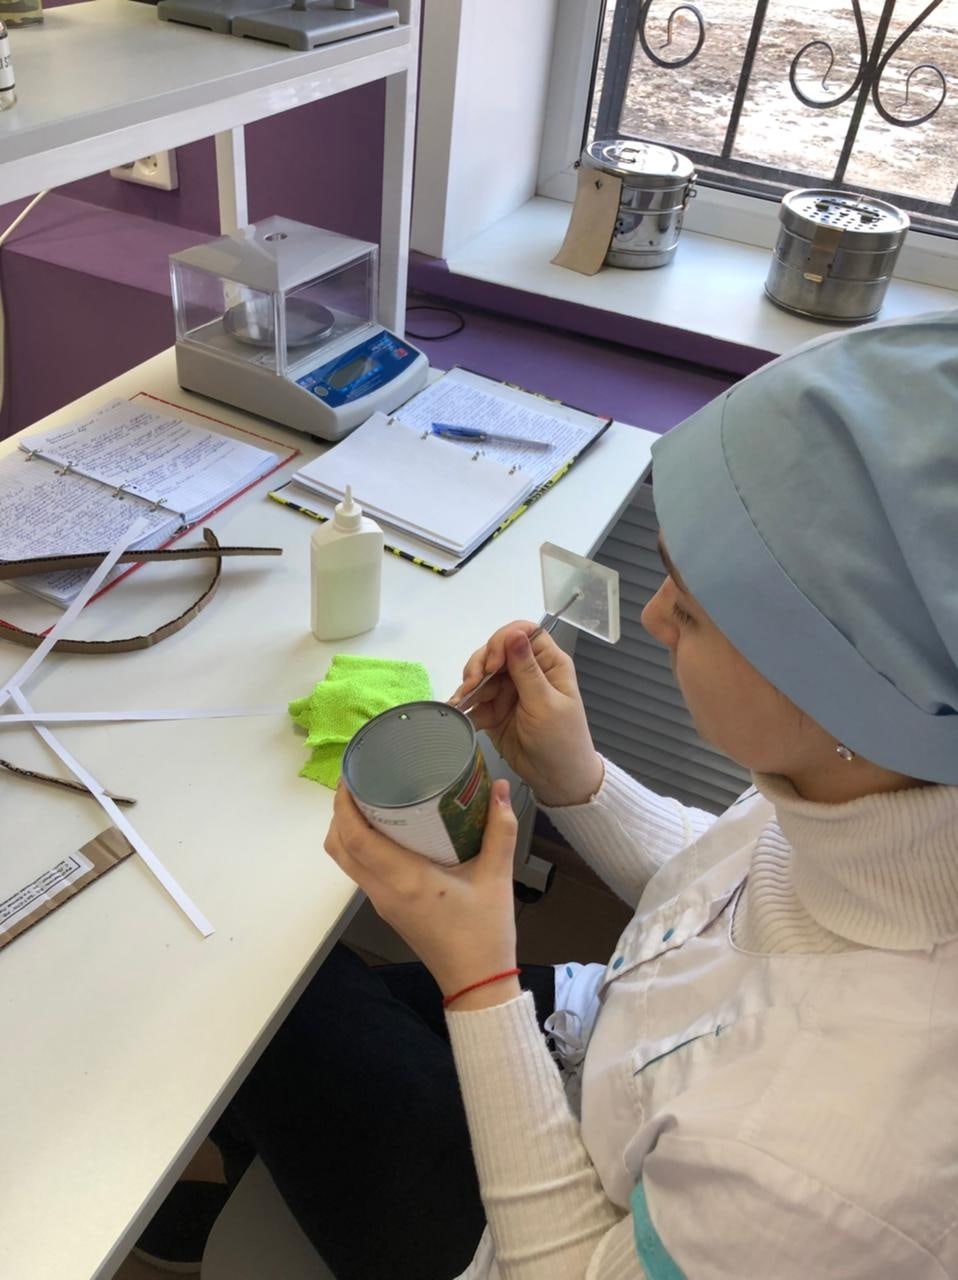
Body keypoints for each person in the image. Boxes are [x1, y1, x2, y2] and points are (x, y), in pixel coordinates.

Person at [143, 307, 958, 1279]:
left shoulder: (842, 1170)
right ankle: (260, 1162)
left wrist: (478, 981)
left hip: (539, 1239)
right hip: (615, 1042)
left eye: (692, 608)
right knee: (294, 1012)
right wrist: (578, 780)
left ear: (852, 686)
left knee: (259, 1016)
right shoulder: (881, 783)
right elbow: (754, 889)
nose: (652, 614)